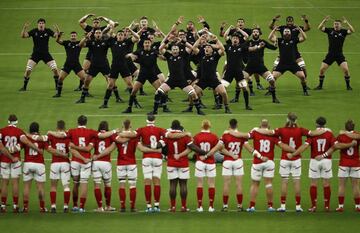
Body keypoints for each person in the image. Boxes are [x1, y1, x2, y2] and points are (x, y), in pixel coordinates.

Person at [254, 112, 325, 212]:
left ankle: (283, 206)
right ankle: (298, 206)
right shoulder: (300, 130)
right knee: (297, 182)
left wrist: (257, 130)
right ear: (296, 120)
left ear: (287, 119)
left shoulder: (281, 130)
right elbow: (313, 134)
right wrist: (324, 130)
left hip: (285, 159)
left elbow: (269, 133)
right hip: (296, 159)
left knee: (284, 182)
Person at [226, 119, 295, 212]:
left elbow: (244, 136)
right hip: (269, 162)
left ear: (260, 125)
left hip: (257, 162)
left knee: (255, 184)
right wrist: (293, 150)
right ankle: (270, 206)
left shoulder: (255, 132)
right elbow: (282, 145)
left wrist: (231, 132)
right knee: (269, 184)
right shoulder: (272, 135)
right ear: (268, 126)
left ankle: (252, 206)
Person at [289, 117, 355, 212]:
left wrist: (294, 154)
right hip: (326, 161)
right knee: (326, 184)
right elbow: (336, 146)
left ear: (316, 124)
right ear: (325, 124)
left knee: (313, 184)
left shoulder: (313, 134)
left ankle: (313, 206)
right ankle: (327, 206)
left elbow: (304, 146)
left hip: (314, 161)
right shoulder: (329, 133)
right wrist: (350, 144)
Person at [149, 28, 204, 115]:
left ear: (179, 50)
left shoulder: (183, 55)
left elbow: (192, 48)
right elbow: (160, 48)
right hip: (171, 80)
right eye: (173, 49)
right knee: (158, 92)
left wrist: (184, 41)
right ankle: (155, 111)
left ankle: (199, 110)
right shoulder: (168, 55)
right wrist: (167, 40)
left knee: (193, 94)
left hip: (182, 80)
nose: (174, 51)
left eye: (176, 49)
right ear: (172, 50)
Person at [49, 115, 97, 213]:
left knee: (75, 183)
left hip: (74, 161)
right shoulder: (91, 132)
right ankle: (81, 207)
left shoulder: (71, 132)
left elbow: (61, 136)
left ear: (77, 122)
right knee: (84, 183)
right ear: (86, 123)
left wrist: (50, 132)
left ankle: (74, 205)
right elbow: (89, 148)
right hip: (86, 161)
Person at [21, 122, 67, 213]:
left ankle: (25, 207)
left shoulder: (26, 138)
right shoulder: (42, 139)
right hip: (39, 165)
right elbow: (50, 150)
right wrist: (62, 154)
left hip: (27, 163)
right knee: (40, 187)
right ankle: (42, 208)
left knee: (26, 186)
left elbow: (18, 148)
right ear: (38, 129)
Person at [0, 114, 41, 213]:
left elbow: (1, 147)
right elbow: (26, 142)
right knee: (15, 183)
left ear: (8, 121)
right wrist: (37, 149)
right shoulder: (19, 131)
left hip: (4, 160)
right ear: (16, 122)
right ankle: (15, 206)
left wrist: (9, 156)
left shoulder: (2, 131)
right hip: (16, 160)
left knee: (4, 183)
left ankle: (3, 206)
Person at [163, 120, 206, 212]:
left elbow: (163, 148)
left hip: (171, 163)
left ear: (172, 127)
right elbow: (193, 147)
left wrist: (167, 155)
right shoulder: (185, 136)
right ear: (180, 127)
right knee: (183, 184)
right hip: (183, 163)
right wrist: (205, 152)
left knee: (172, 185)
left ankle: (173, 207)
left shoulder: (168, 136)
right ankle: (183, 206)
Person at [99, 27, 140, 108]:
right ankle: (105, 103)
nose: (120, 36)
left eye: (122, 35)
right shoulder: (112, 41)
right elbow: (103, 34)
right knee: (110, 85)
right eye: (119, 35)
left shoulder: (127, 42)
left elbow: (137, 37)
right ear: (116, 36)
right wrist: (110, 28)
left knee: (130, 84)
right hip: (114, 66)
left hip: (124, 66)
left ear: (124, 36)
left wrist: (130, 30)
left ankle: (135, 102)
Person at [192, 35, 232, 113]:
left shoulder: (215, 56)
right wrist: (200, 39)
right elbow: (194, 48)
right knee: (192, 93)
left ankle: (227, 107)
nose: (206, 48)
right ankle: (194, 108)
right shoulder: (201, 55)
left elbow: (222, 49)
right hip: (203, 80)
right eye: (205, 47)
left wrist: (217, 40)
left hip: (213, 79)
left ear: (212, 50)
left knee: (223, 93)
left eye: (209, 47)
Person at [76, 29, 117, 104]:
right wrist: (85, 38)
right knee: (86, 81)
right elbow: (80, 45)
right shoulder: (91, 42)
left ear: (101, 34)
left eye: (99, 33)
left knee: (111, 81)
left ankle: (117, 97)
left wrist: (112, 33)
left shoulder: (106, 42)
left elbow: (114, 42)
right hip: (94, 65)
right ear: (94, 35)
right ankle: (82, 98)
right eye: (96, 33)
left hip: (104, 65)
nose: (98, 34)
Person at [122, 39, 163, 113]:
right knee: (133, 91)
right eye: (145, 43)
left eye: (148, 43)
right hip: (142, 74)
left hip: (152, 74)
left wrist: (163, 56)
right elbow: (131, 55)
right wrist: (129, 55)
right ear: (143, 44)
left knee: (160, 91)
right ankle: (129, 108)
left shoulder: (154, 51)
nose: (147, 44)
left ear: (150, 44)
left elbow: (162, 57)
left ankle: (163, 107)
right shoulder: (139, 51)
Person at [314, 16, 355, 90]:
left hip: (339, 55)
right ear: (333, 25)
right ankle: (320, 86)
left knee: (346, 70)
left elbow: (352, 30)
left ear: (340, 25)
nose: (336, 25)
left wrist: (347, 23)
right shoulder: (330, 30)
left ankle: (348, 86)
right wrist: (324, 20)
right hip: (330, 54)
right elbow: (319, 28)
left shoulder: (344, 32)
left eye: (338, 24)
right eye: (335, 24)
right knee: (322, 70)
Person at [135, 114, 166, 212]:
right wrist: (157, 150)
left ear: (146, 120)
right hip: (157, 159)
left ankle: (148, 206)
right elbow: (167, 138)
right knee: (157, 181)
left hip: (146, 159)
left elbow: (135, 140)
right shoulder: (160, 130)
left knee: (147, 181)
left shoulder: (141, 130)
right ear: (154, 120)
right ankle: (157, 206)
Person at [20, 18, 59, 91]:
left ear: (44, 24)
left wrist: (57, 30)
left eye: (42, 23)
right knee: (28, 70)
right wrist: (24, 28)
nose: (41, 24)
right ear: (38, 24)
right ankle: (24, 87)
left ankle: (57, 86)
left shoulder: (48, 31)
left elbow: (56, 36)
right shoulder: (34, 31)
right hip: (35, 54)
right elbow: (23, 36)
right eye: (40, 23)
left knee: (55, 70)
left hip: (46, 54)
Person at [269, 26, 309, 96]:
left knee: (302, 76)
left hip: (293, 64)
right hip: (282, 64)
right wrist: (274, 30)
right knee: (272, 78)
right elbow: (270, 38)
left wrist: (300, 30)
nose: (286, 32)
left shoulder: (294, 40)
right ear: (283, 33)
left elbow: (304, 38)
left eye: (288, 31)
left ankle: (305, 91)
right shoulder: (279, 40)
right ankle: (271, 91)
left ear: (290, 33)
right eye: (285, 31)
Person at [269, 15, 310, 83]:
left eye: (291, 21)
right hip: (283, 52)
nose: (290, 22)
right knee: (274, 68)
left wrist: (306, 21)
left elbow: (307, 28)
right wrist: (273, 20)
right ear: (286, 22)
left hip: (295, 52)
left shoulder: (296, 28)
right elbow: (271, 27)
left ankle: (304, 82)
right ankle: (271, 84)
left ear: (293, 21)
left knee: (303, 68)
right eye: (288, 21)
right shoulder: (282, 28)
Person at [243, 28, 279, 103]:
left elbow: (274, 48)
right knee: (241, 81)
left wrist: (276, 42)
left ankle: (274, 98)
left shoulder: (263, 42)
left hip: (260, 66)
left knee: (272, 80)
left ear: (259, 33)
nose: (255, 33)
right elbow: (244, 48)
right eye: (254, 32)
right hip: (250, 67)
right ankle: (239, 99)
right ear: (252, 34)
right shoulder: (248, 42)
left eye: (257, 32)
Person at [193, 120, 219, 212]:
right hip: (210, 162)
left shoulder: (196, 136)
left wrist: (199, 155)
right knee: (211, 184)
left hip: (200, 162)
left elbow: (193, 148)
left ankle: (200, 206)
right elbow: (217, 148)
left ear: (201, 126)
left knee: (200, 184)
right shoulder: (214, 136)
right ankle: (211, 206)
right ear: (210, 126)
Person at [335, 122, 360, 211]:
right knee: (355, 186)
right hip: (355, 164)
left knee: (341, 186)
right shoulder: (357, 135)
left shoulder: (341, 136)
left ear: (345, 127)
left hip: (343, 163)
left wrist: (345, 133)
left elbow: (336, 145)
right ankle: (358, 206)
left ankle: (340, 206)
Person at [47, 120, 71, 213]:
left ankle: (53, 206)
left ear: (57, 127)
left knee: (53, 186)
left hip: (55, 163)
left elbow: (48, 146)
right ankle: (65, 206)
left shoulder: (51, 135)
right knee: (66, 186)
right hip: (65, 163)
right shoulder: (68, 135)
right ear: (64, 127)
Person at [53, 31, 86, 97]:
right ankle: (58, 93)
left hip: (76, 64)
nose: (73, 37)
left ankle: (86, 93)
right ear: (70, 36)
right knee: (60, 78)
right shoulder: (67, 43)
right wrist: (59, 36)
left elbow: (85, 44)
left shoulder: (79, 43)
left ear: (76, 36)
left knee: (84, 78)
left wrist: (86, 37)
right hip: (68, 64)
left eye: (74, 35)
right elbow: (57, 41)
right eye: (72, 35)